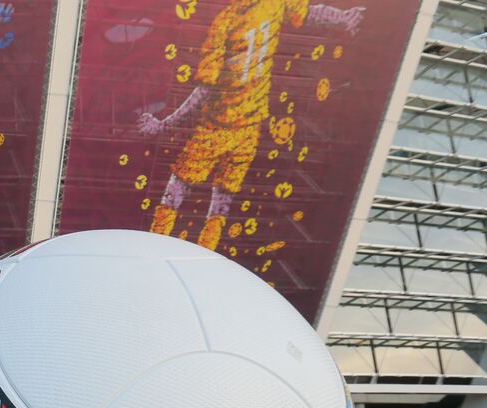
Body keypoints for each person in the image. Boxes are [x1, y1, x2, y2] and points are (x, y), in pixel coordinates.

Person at [138, 0, 363, 252]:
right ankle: (205, 259)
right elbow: (309, 13)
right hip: (249, 129)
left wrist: (164, 124)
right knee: (222, 201)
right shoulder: (273, 4)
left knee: (177, 189)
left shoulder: (225, 21)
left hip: (216, 127)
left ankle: (153, 248)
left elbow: (205, 89)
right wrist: (343, 17)